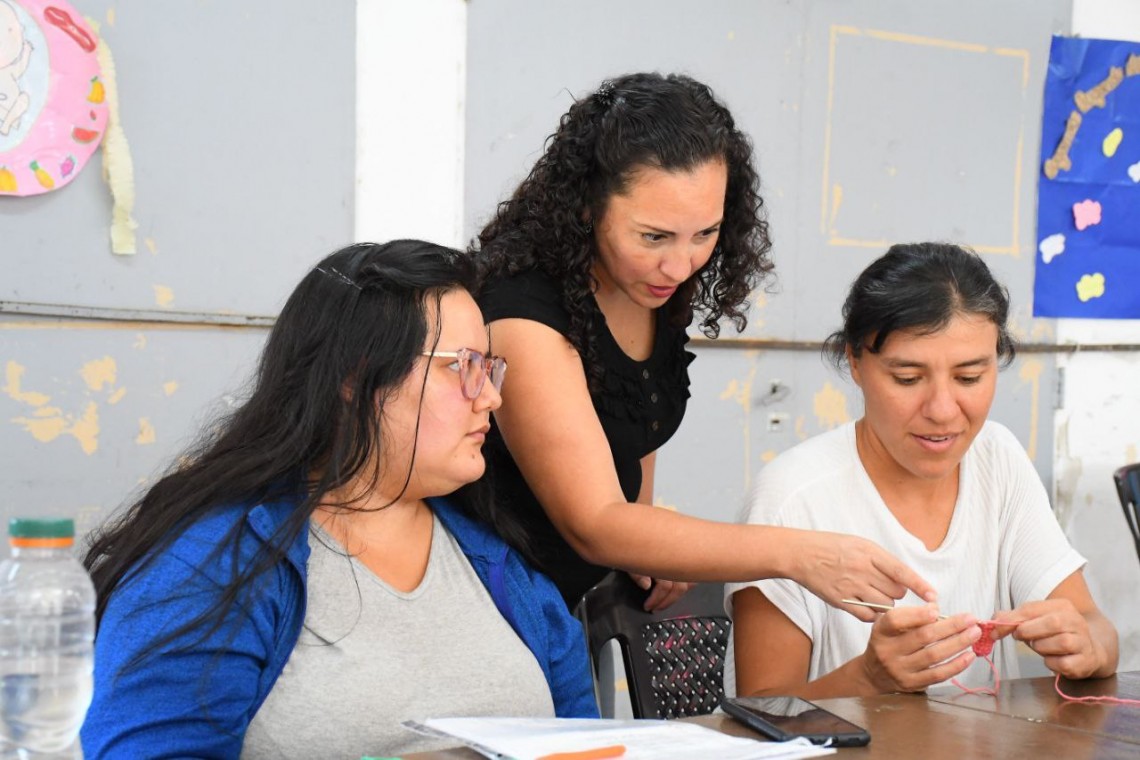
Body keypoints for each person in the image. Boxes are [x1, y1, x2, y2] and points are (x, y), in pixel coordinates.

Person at [80, 241, 597, 759]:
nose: (490, 396)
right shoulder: (211, 564)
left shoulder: (504, 568)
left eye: (489, 367)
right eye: (463, 366)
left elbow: (589, 745)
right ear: (357, 376)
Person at [471, 71, 935, 615]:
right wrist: (801, 554)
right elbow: (595, 524)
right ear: (586, 205)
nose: (680, 265)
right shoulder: (524, 315)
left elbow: (635, 425)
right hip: (494, 600)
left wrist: (646, 540)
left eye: (705, 234)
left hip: (570, 603)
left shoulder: (649, 284)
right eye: (654, 236)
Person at [728, 242, 1119, 699]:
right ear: (855, 362)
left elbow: (1097, 629)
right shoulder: (790, 498)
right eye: (908, 379)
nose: (942, 410)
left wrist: (1087, 645)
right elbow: (760, 714)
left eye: (969, 377)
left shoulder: (997, 459)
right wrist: (868, 678)